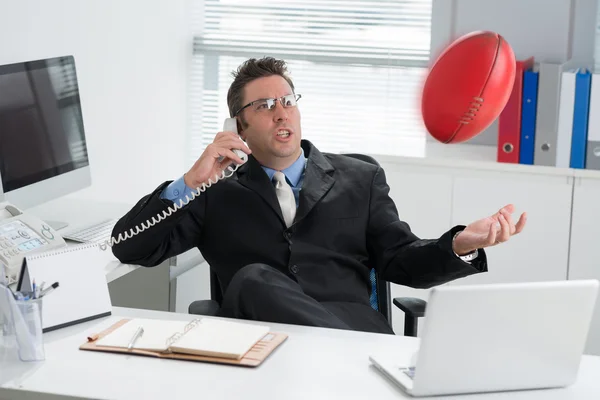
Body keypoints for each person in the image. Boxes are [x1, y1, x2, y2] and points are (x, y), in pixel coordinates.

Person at [111, 56, 527, 335]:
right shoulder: (212, 190)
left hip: (351, 323)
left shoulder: (361, 179)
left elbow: (402, 260)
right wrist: (190, 180)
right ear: (239, 129)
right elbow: (129, 247)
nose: (281, 112)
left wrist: (460, 244)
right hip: (262, 339)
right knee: (253, 279)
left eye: (287, 100)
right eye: (265, 105)